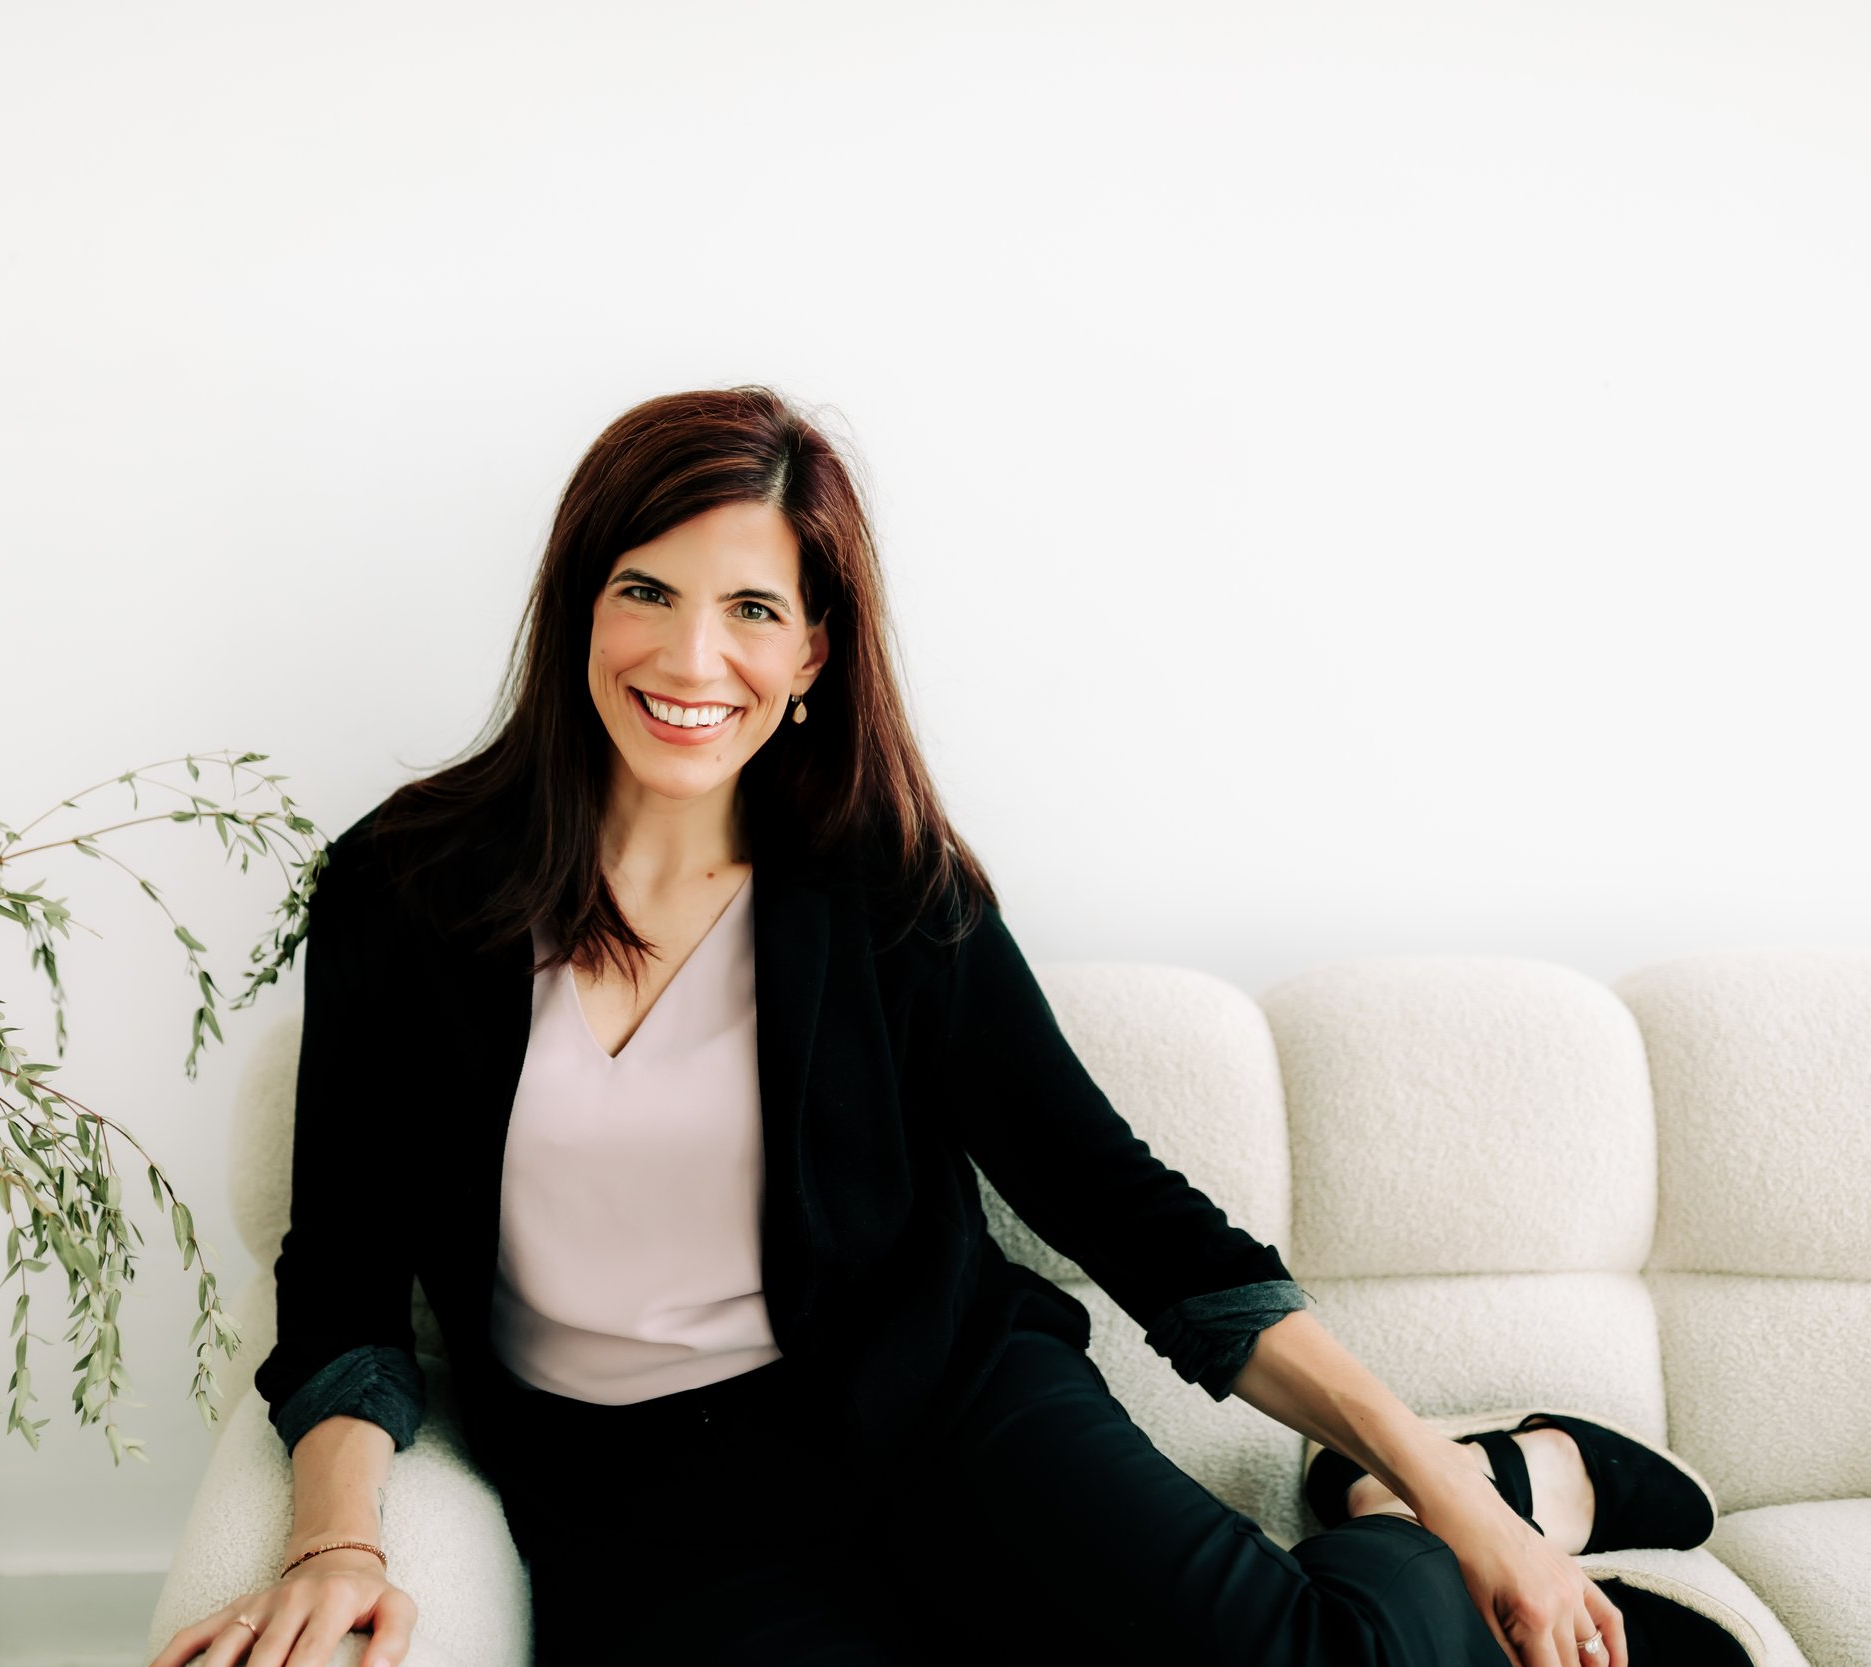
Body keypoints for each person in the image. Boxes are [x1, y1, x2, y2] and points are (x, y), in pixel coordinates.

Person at [149, 386, 1757, 1667]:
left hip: (948, 1419)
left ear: (812, 656)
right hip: (652, 1510)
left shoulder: (887, 889)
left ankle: (1484, 1482)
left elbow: (1128, 1215)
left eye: (752, 612)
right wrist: (336, 1543)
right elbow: (344, 1277)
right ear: (578, 607)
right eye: (644, 591)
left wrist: (1450, 1505)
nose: (688, 657)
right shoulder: (404, 891)